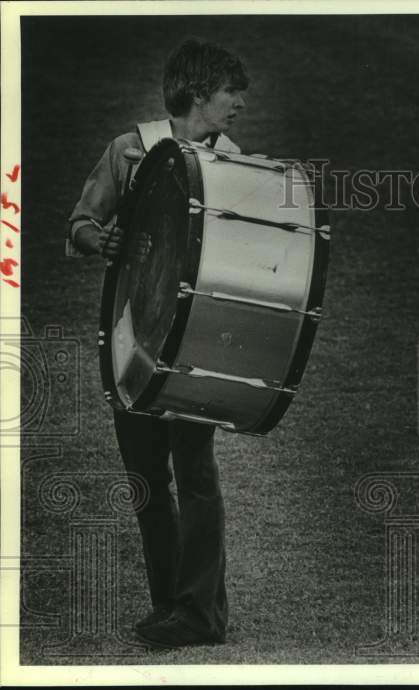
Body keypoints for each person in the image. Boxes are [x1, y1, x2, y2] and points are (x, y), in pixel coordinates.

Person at [66, 39, 249, 647]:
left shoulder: (235, 162)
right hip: (130, 338)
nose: (238, 107)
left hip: (195, 341)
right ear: (197, 93)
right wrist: (101, 242)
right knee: (146, 473)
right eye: (231, 94)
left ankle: (202, 613)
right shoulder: (129, 150)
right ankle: (171, 605)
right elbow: (81, 225)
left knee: (193, 468)